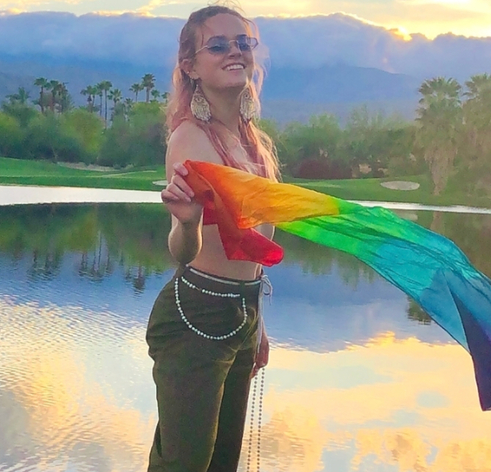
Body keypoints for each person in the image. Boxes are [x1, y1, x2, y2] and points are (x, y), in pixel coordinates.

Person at [145, 4, 281, 472]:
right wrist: (185, 223)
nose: (235, 52)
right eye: (218, 45)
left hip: (242, 313)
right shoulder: (189, 139)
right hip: (195, 316)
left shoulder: (254, 144)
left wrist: (256, 321)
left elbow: (256, 249)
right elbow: (185, 253)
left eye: (244, 43)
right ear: (190, 66)